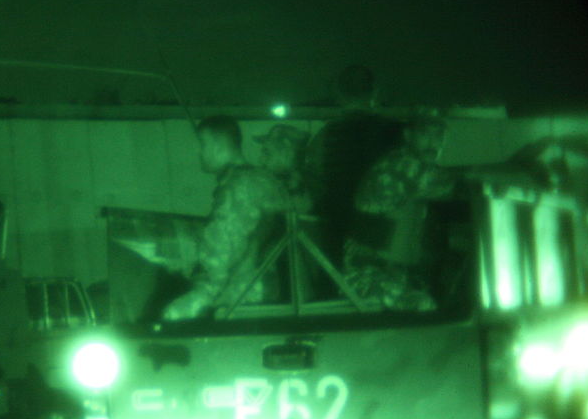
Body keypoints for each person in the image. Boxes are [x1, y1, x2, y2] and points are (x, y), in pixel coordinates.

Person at [162, 116, 290, 320]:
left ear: (219, 145)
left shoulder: (237, 186)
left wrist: (199, 289)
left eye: (203, 144)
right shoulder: (262, 179)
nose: (199, 151)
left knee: (170, 315)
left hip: (243, 292)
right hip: (267, 286)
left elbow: (221, 254)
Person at [343, 112, 455, 311]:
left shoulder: (420, 168)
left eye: (439, 136)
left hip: (397, 273)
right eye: (425, 135)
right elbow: (459, 183)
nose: (433, 142)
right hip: (368, 276)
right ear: (408, 136)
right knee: (423, 307)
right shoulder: (400, 167)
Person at [304, 65, 406, 261]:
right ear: (375, 92)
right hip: (385, 233)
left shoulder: (325, 136)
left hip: (337, 226)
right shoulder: (397, 132)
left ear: (338, 95)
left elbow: (313, 180)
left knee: (339, 284)